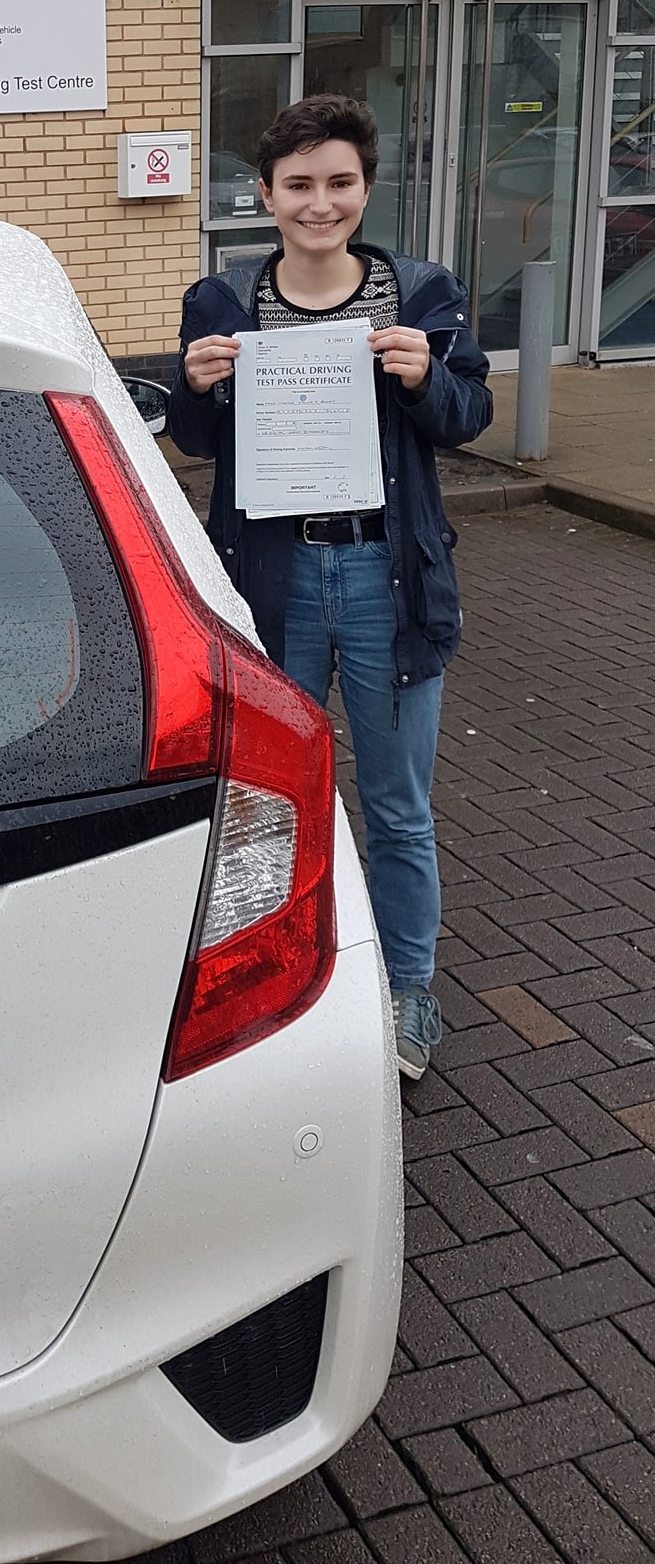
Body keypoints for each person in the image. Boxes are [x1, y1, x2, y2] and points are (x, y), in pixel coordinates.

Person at [168, 94, 492, 1080]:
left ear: (364, 187)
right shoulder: (220, 304)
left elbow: (465, 416)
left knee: (394, 808)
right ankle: (272, 987)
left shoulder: (420, 291)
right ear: (263, 193)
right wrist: (193, 387)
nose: (319, 204)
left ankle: (406, 992)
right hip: (272, 579)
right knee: (268, 799)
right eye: (297, 185)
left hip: (386, 578)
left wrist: (420, 376)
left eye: (338, 183)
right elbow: (195, 440)